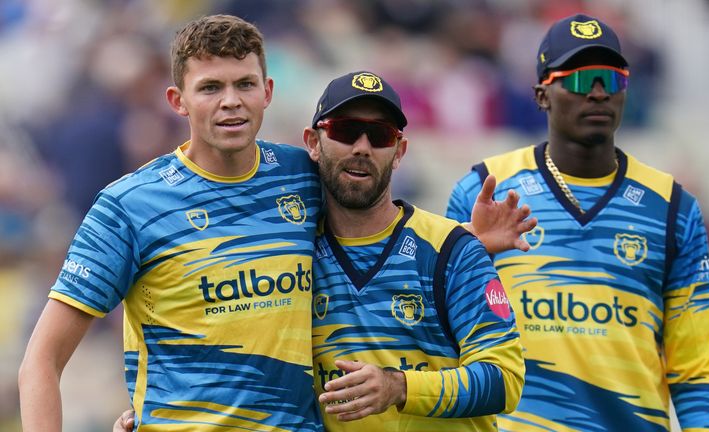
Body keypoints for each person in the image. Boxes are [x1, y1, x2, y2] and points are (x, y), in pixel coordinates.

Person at [21, 15, 533, 432]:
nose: (230, 101)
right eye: (210, 87)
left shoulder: (302, 173)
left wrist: (463, 244)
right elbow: (40, 362)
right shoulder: (129, 205)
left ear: (267, 91)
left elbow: (371, 204)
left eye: (244, 84)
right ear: (178, 101)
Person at [446, 13, 709, 432]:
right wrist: (470, 250)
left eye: (610, 79)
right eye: (579, 79)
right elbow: (442, 340)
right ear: (542, 94)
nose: (597, 93)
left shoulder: (672, 207)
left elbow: (695, 370)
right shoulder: (483, 190)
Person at [305, 71, 526, 430]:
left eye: (380, 135)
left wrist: (398, 387)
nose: (362, 147)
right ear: (313, 143)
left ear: (399, 152)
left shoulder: (452, 250)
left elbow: (505, 380)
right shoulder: (296, 252)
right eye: (345, 131)